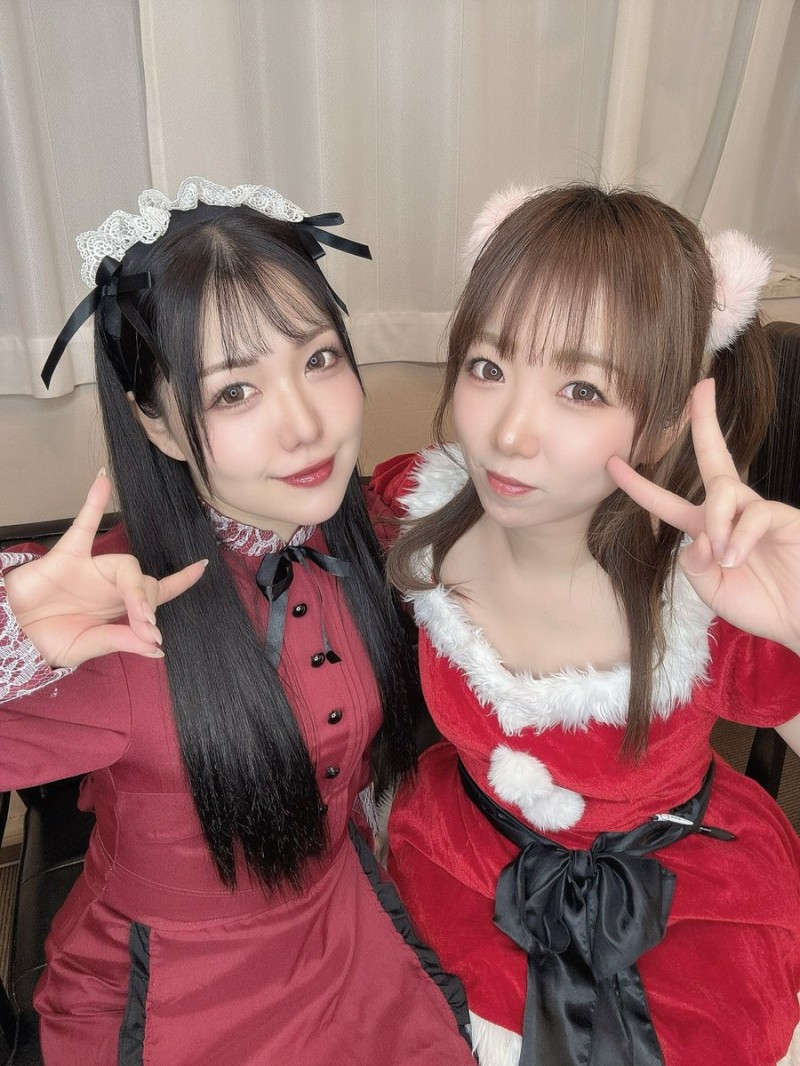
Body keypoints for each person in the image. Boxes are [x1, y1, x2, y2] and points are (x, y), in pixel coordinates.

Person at [0, 177, 475, 1065]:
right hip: (177, 995)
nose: (304, 426)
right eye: (233, 393)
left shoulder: (371, 534)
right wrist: (10, 636)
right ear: (157, 426)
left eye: (319, 359)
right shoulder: (112, 617)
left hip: (346, 934)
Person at [369, 184, 800, 1066]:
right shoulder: (418, 506)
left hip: (684, 908)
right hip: (460, 864)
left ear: (667, 422)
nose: (510, 433)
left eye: (580, 387)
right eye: (488, 367)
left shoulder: (711, 600)